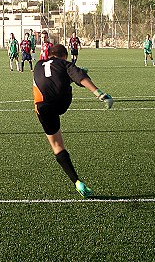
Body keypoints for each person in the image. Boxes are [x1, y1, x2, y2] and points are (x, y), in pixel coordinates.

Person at [33, 44, 113, 198]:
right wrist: (100, 94)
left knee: (57, 146)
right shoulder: (66, 64)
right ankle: (71, 81)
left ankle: (77, 182)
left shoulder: (38, 64)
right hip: (61, 103)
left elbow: (51, 76)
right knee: (75, 79)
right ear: (64, 56)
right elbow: (81, 77)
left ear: (50, 55)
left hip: (42, 107)